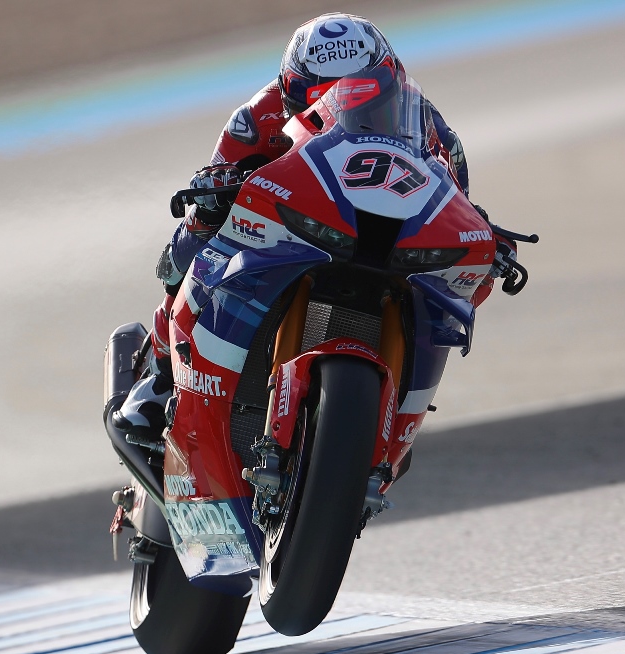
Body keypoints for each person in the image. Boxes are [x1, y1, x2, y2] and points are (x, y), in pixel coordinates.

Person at [113, 12, 517, 440]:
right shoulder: (255, 119)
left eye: (360, 92)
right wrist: (214, 193)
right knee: (196, 233)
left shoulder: (432, 130)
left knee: (459, 283)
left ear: (390, 82)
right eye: (316, 97)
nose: (339, 105)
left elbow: (455, 200)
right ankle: (160, 374)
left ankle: (395, 410)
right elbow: (214, 178)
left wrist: (486, 236)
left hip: (382, 231)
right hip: (287, 227)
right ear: (289, 92)